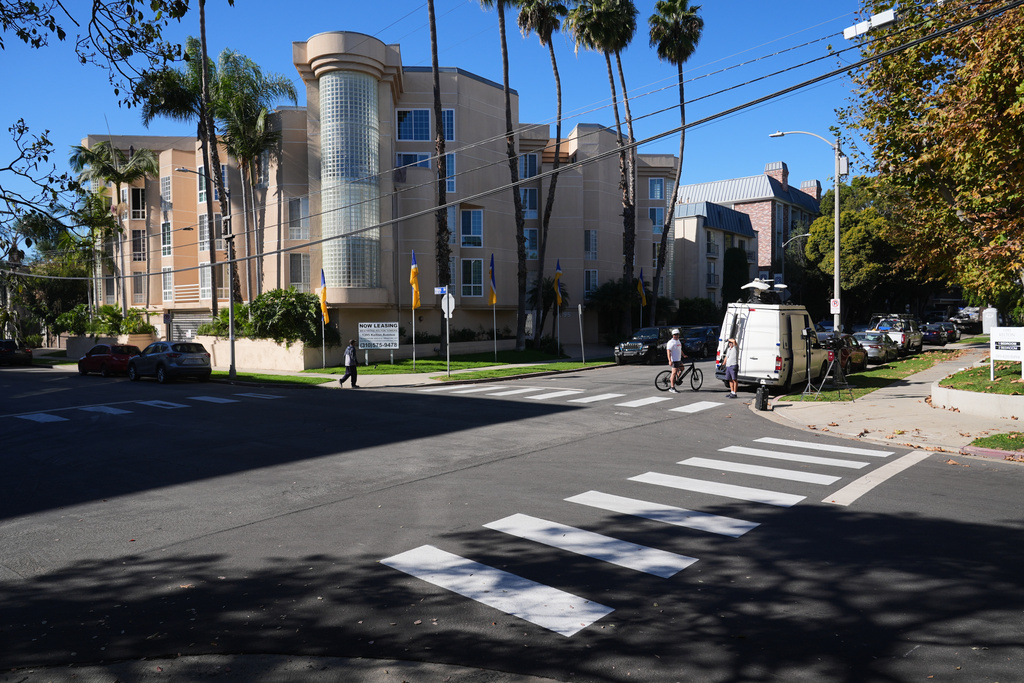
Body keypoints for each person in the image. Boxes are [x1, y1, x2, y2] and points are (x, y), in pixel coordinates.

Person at [665, 328, 687, 393]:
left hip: (678, 359)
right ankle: (672, 388)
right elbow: (668, 351)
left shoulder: (678, 341)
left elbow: (680, 349)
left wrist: (683, 355)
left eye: (677, 335)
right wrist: (669, 360)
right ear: (673, 335)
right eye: (675, 335)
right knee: (674, 373)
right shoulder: (671, 342)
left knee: (682, 368)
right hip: (674, 360)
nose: (676, 336)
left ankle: (675, 379)